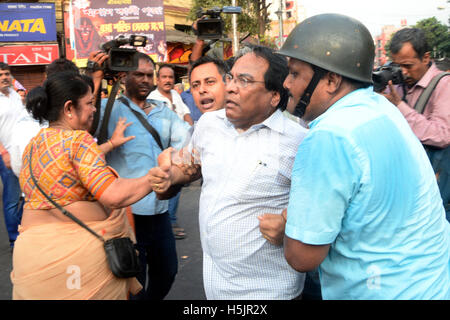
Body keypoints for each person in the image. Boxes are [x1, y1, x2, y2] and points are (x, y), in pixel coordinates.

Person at [277, 13, 450, 299]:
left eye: (295, 73)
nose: (286, 83)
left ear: (331, 80)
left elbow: (302, 257)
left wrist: (285, 227)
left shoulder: (330, 136)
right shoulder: (384, 110)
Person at [149, 45, 307, 299]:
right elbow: (191, 167)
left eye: (244, 80)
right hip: (215, 287)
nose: (231, 87)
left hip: (269, 292)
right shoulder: (209, 125)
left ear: (274, 96)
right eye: (231, 78)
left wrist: (290, 225)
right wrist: (171, 176)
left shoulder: (298, 143)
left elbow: (323, 208)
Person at [10, 71, 159, 299]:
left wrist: (110, 144)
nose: (94, 109)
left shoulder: (34, 144)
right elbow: (113, 195)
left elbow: (66, 170)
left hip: (30, 257)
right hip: (75, 263)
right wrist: (158, 177)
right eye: (89, 103)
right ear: (69, 108)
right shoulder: (78, 140)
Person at [93, 52, 190, 300]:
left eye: (149, 75)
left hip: (159, 211)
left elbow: (187, 143)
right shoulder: (107, 108)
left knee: (168, 272)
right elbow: (86, 128)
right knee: (134, 280)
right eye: (139, 75)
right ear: (124, 77)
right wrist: (96, 76)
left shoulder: (164, 112)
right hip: (127, 215)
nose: (146, 80)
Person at [381, 28, 450, 219]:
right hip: (407, 186)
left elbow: (443, 135)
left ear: (426, 57)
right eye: (397, 66)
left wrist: (399, 105)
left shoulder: (444, 85)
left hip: (437, 189)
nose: (402, 72)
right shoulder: (397, 85)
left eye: (408, 65)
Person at [0, 62, 25, 250]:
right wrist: (4, 153)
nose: (4, 77)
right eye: (0, 75)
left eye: (7, 74)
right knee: (11, 198)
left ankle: (23, 231)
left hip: (20, 152)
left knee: (25, 195)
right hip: (5, 155)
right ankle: (14, 239)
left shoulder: (16, 96)